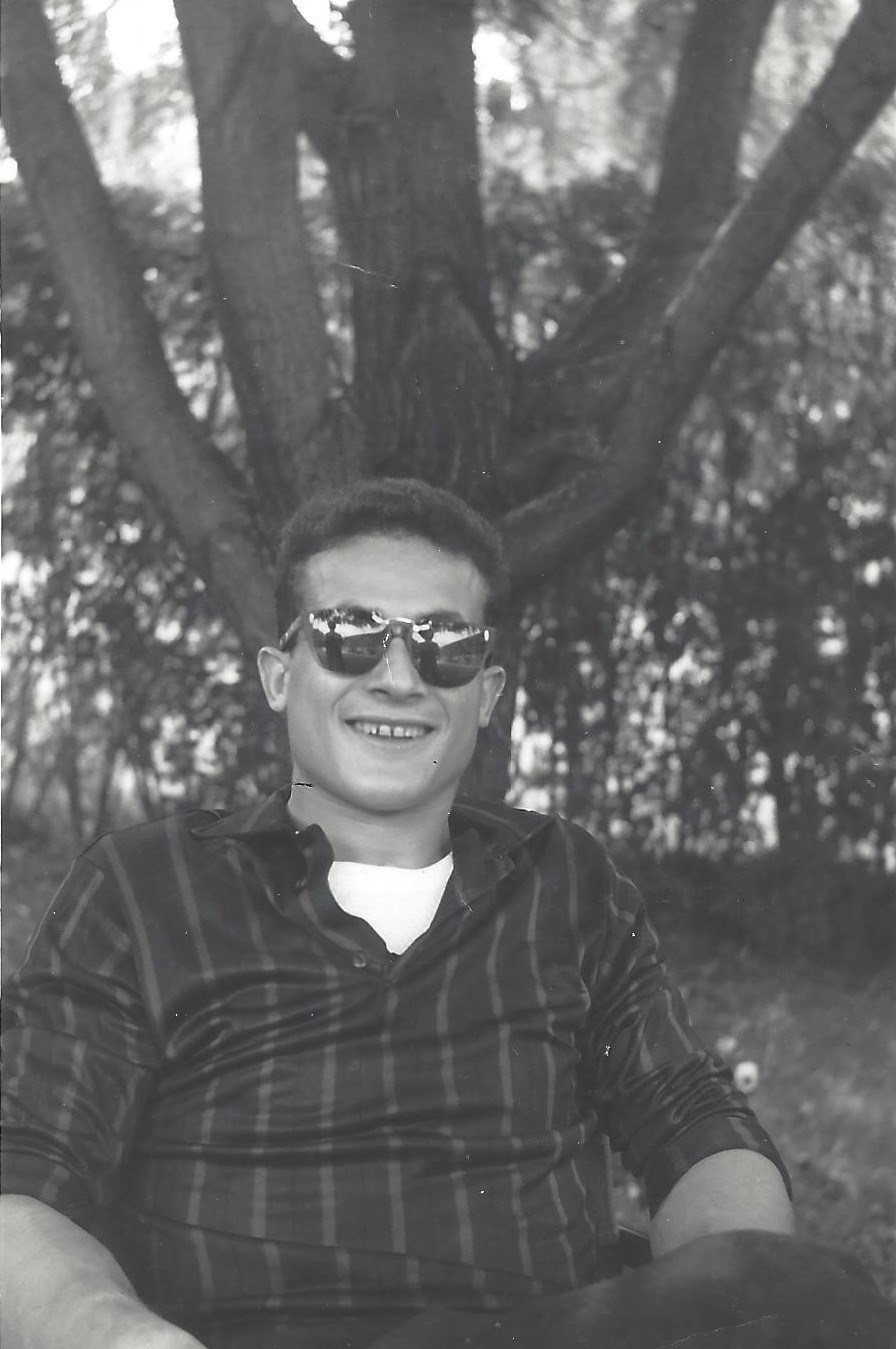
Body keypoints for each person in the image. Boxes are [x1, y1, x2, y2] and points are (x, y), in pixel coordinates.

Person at [0, 479, 886, 1349]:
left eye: (444, 645)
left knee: (813, 1291)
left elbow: (692, 1120)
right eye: (348, 635)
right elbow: (25, 1180)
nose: (397, 678)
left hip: (535, 1338)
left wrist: (739, 1290)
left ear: (486, 694)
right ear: (279, 675)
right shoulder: (144, 886)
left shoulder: (564, 881)